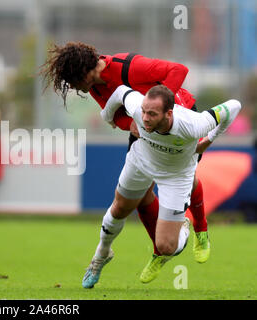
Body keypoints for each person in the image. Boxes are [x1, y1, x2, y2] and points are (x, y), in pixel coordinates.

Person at [40, 42, 211, 266]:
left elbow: (178, 70)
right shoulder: (95, 86)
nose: (71, 87)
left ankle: (201, 227)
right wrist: (133, 121)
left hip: (179, 120)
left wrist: (162, 112)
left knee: (184, 178)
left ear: (84, 72)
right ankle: (161, 250)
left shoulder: (127, 67)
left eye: (72, 81)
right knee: (136, 198)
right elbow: (116, 118)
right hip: (146, 129)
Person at [84, 84, 240, 287]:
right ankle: (101, 254)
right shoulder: (139, 108)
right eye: (144, 112)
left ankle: (185, 225)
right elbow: (121, 92)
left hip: (176, 176)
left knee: (166, 247)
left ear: (169, 113)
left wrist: (209, 140)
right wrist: (108, 116)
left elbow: (234, 105)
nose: (145, 118)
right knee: (119, 209)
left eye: (152, 114)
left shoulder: (195, 124)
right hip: (140, 162)